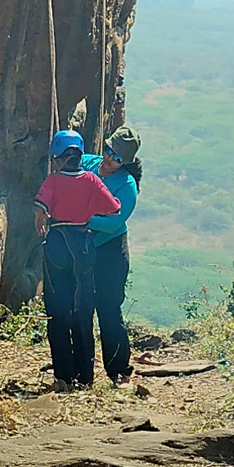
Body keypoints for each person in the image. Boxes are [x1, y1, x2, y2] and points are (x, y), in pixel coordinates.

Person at [34, 127, 120, 390]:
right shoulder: (92, 182)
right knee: (82, 309)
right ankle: (85, 377)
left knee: (57, 312)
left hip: (58, 242)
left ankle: (63, 376)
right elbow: (114, 209)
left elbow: (40, 208)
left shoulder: (53, 181)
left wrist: (41, 220)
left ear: (59, 157)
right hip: (83, 244)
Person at [83, 126, 142, 385]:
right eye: (108, 151)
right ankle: (81, 370)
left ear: (126, 163)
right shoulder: (87, 163)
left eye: (117, 158)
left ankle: (119, 370)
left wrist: (80, 217)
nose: (109, 159)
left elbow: (113, 224)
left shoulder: (127, 186)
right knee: (80, 308)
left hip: (111, 252)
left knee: (108, 309)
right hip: (82, 247)